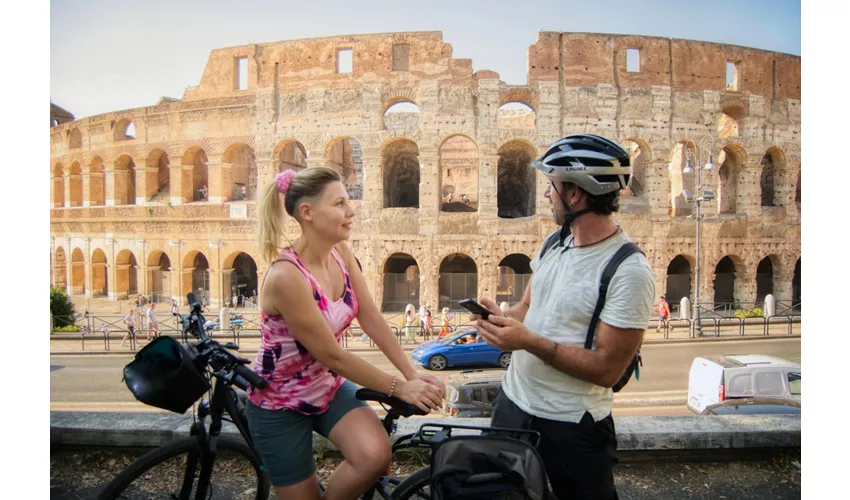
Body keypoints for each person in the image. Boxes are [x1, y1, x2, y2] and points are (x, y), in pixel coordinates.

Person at [471, 135, 655, 500]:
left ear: (574, 194)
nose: (546, 196)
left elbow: (608, 370)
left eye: (551, 186)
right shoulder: (555, 242)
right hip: (513, 405)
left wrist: (528, 342)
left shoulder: (628, 270)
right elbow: (528, 307)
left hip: (572, 425)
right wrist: (501, 319)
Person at [246, 167, 444, 500]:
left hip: (326, 386)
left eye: (348, 200)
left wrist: (412, 373)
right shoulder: (286, 276)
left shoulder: (341, 252)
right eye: (339, 203)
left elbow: (371, 317)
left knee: (374, 454)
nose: (351, 211)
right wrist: (401, 388)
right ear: (307, 213)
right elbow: (332, 355)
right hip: (279, 401)